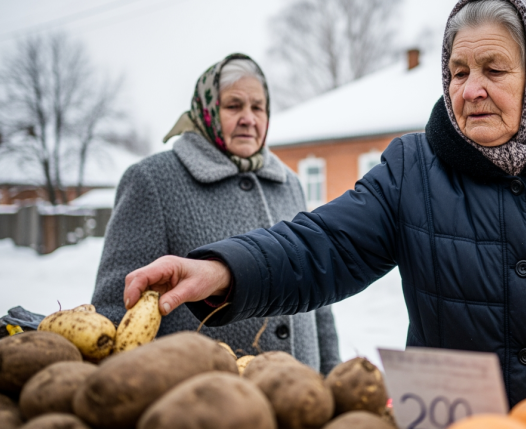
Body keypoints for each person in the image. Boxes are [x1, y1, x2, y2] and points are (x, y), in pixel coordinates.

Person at [123, 0, 526, 408]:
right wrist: (221, 268)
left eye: (495, 68)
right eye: (458, 72)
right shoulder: (414, 168)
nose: (473, 89)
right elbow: (321, 244)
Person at [92, 53, 341, 374]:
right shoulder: (154, 180)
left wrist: (333, 374)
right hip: (203, 399)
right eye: (234, 106)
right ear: (206, 110)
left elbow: (316, 288)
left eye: (258, 107)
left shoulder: (288, 182)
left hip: (302, 394)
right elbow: (117, 305)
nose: (249, 118)